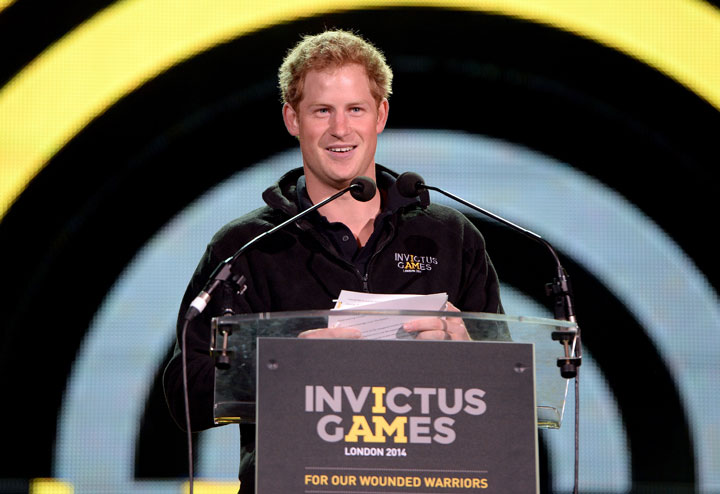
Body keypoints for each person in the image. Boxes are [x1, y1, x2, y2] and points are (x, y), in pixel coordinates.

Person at [163, 29, 504, 493]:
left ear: (380, 115)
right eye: (322, 110)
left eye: (355, 109)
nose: (340, 129)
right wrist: (281, 366)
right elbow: (187, 395)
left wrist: (473, 359)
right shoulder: (247, 247)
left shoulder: (449, 236)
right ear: (292, 118)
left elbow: (511, 393)